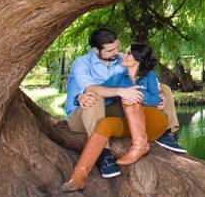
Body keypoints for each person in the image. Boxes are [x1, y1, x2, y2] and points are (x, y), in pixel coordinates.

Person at [64, 27, 185, 179]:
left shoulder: (122, 59)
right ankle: (104, 154)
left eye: (117, 47)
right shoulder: (81, 64)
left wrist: (159, 92)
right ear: (96, 50)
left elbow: (143, 76)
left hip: (112, 108)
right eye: (110, 50)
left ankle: (166, 133)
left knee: (165, 88)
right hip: (81, 114)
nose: (116, 52)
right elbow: (91, 88)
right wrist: (121, 91)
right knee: (94, 97)